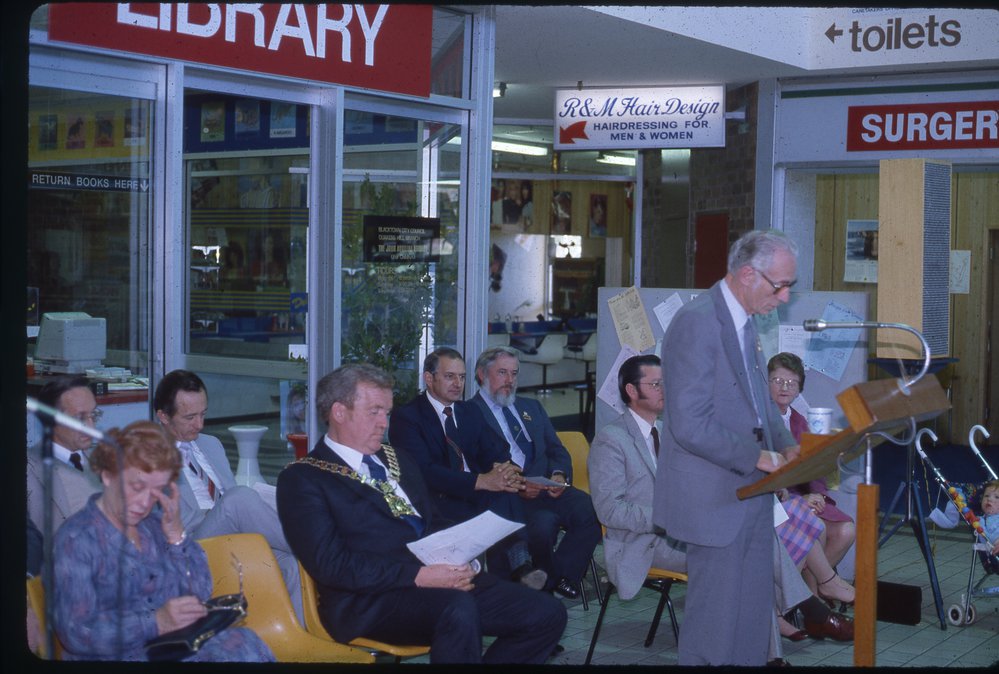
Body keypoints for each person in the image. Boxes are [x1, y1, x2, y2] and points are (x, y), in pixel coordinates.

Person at [275, 363, 567, 663]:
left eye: (386, 413)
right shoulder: (304, 479)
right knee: (457, 608)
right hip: (368, 601)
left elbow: (433, 523)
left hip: (437, 579)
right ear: (338, 412)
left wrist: (465, 560)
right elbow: (332, 565)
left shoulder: (397, 459)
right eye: (374, 412)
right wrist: (420, 576)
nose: (383, 423)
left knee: (547, 613)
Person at [591, 354, 853, 657]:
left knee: (752, 538)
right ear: (631, 391)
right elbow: (610, 510)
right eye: (656, 384)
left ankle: (781, 646)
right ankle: (809, 612)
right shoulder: (611, 440)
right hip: (642, 541)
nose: (666, 390)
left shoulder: (667, 432)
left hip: (684, 532)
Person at [652, 229, 801, 666]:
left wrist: (789, 446)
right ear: (748, 274)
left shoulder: (746, 322)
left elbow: (760, 401)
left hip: (749, 493)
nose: (786, 297)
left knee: (752, 616)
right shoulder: (697, 322)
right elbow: (689, 424)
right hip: (712, 498)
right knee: (713, 627)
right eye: (780, 286)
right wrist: (757, 455)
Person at [51, 421, 274, 662]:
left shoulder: (153, 527)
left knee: (245, 642)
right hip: (113, 655)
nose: (144, 503)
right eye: (136, 487)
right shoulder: (77, 539)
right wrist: (155, 622)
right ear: (107, 475)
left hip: (169, 646)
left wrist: (177, 537)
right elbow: (76, 632)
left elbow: (199, 592)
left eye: (156, 491)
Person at [388, 347, 547, 588]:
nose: (458, 384)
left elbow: (497, 449)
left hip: (473, 494)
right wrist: (481, 481)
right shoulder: (408, 417)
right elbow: (423, 472)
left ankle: (518, 571)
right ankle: (517, 573)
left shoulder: (468, 411)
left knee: (504, 493)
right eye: (450, 376)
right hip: (438, 501)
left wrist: (506, 472)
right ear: (429, 378)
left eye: (462, 377)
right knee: (502, 501)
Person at [153, 369, 303, 622]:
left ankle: (296, 651)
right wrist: (227, 510)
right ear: (163, 416)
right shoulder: (147, 454)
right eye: (189, 417)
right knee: (238, 499)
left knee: (293, 564)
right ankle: (318, 547)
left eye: (203, 414)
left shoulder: (211, 444)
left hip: (233, 537)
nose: (199, 425)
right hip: (190, 549)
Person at [470, 346, 602, 600]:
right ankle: (549, 590)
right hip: (510, 495)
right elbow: (478, 462)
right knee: (543, 526)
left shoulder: (532, 407)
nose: (509, 381)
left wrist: (559, 476)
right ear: (481, 375)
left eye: (514, 373)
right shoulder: (470, 414)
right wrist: (520, 485)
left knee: (592, 509)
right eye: (502, 373)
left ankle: (559, 578)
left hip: (548, 487)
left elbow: (557, 450)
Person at [768, 352, 857, 602]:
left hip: (803, 498)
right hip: (780, 503)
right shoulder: (760, 419)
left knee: (846, 530)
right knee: (814, 529)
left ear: (799, 389)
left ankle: (807, 594)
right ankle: (814, 599)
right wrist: (801, 499)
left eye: (791, 382)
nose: (784, 387)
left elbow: (814, 468)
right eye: (777, 380)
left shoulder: (800, 421)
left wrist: (816, 494)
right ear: (766, 383)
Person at [26, 376, 103, 536]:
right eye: (79, 418)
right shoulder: (28, 469)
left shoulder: (104, 459)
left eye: (93, 415)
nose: (90, 426)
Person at [979, 479, 999, 556]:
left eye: (997, 497)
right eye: (986, 496)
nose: (989, 499)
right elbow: (987, 540)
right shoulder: (982, 519)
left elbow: (990, 539)